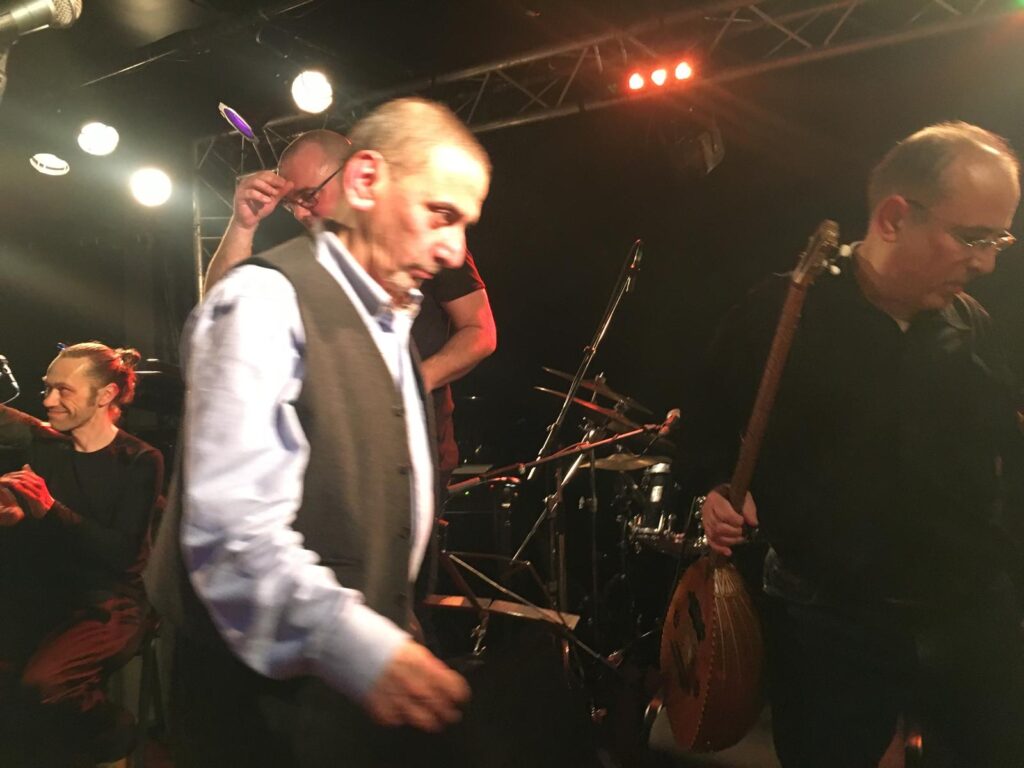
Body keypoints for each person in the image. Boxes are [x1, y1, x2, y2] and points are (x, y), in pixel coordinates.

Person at [145, 97, 491, 767]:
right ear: (364, 180)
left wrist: (393, 617)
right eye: (440, 214)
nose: (455, 248)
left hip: (336, 697)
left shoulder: (392, 323)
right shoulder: (264, 300)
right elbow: (233, 536)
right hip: (253, 706)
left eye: (463, 223)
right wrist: (363, 647)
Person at [679, 122, 1024, 767]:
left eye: (998, 239)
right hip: (827, 621)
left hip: (971, 614)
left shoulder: (972, 323)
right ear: (894, 217)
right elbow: (701, 431)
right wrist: (716, 489)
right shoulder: (783, 311)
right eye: (973, 238)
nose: (987, 263)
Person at [205, 127, 497, 487]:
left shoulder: (421, 234)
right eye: (291, 204)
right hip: (325, 453)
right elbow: (220, 315)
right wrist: (242, 225)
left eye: (309, 196)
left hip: (408, 446)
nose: (300, 213)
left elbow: (480, 332)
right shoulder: (305, 254)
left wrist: (407, 384)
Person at [0, 342, 164, 766]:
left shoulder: (140, 460)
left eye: (63, 390)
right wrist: (15, 517)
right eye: (47, 388)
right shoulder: (46, 445)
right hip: (50, 593)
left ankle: (118, 735)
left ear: (105, 395)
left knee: (44, 685)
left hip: (111, 603)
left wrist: (50, 509)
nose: (48, 400)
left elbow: (123, 555)